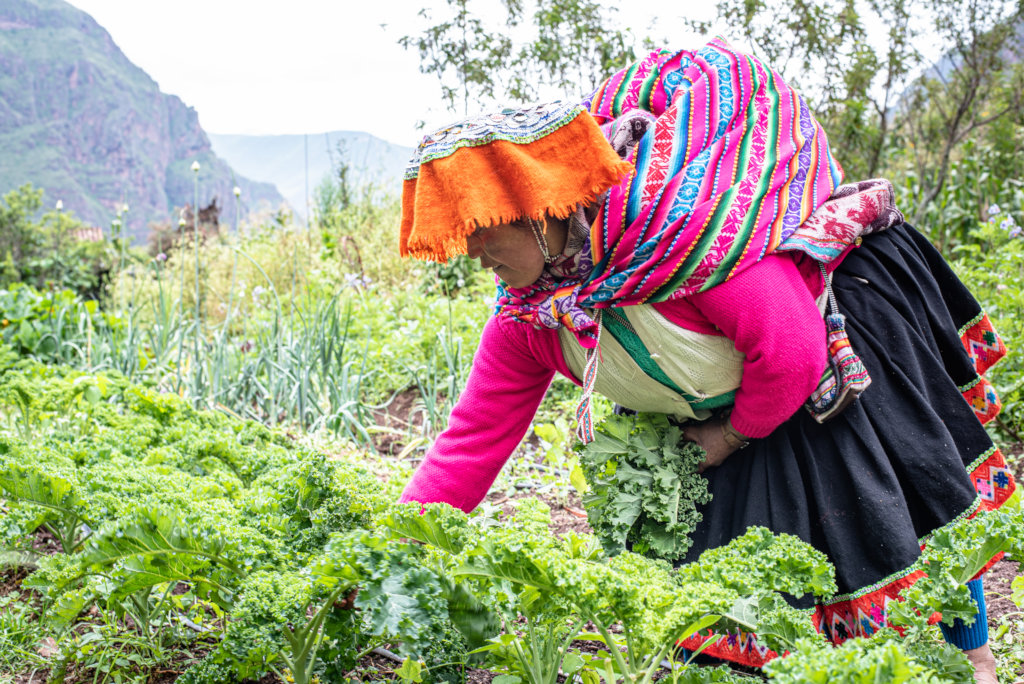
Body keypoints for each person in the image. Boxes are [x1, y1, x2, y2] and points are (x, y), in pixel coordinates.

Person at [397, 39, 1017, 682]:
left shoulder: (683, 245)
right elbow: (472, 436)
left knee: (920, 505)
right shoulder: (529, 318)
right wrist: (399, 548)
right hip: (724, 402)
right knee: (733, 603)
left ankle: (977, 661)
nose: (473, 255)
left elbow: (792, 354)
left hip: (827, 351)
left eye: (480, 231)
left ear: (534, 210)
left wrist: (729, 436)